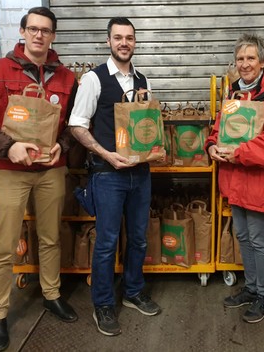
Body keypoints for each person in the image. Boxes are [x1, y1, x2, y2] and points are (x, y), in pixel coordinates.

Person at [0, 6, 79, 352]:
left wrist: (63, 145)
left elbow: (73, 124)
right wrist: (7, 146)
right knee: (5, 245)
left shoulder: (67, 78)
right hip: (12, 173)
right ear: (23, 32)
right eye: (34, 29)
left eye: (46, 30)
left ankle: (51, 295)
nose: (39, 35)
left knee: (50, 237)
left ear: (53, 36)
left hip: (50, 171)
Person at [69, 17, 161, 337]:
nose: (124, 42)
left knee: (138, 238)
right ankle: (104, 303)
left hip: (141, 174)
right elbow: (77, 126)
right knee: (107, 243)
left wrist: (153, 148)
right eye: (118, 37)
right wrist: (105, 154)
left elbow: (146, 124)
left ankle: (133, 292)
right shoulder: (94, 79)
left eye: (130, 38)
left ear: (135, 42)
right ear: (108, 41)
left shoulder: (142, 79)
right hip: (107, 175)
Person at [205, 33, 264, 323]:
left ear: (263, 61)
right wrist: (212, 146)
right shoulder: (233, 95)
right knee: (243, 236)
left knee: (259, 239)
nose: (245, 64)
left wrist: (238, 153)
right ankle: (253, 287)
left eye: (251, 58)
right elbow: (219, 129)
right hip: (236, 180)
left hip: (261, 182)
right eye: (240, 59)